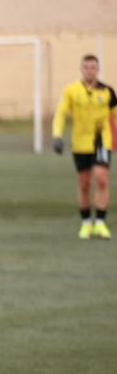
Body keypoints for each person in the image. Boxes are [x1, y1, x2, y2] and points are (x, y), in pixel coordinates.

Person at [52, 54, 116, 239]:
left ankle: (101, 223)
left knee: (101, 178)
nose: (90, 70)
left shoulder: (107, 91)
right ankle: (86, 222)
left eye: (93, 67)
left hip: (102, 141)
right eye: (86, 67)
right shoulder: (72, 90)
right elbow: (61, 113)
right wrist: (57, 135)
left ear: (98, 69)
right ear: (81, 69)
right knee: (84, 183)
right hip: (80, 143)